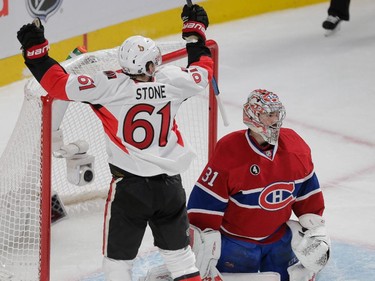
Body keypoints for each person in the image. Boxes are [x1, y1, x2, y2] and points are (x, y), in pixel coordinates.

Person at [17, 4, 212, 281]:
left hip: (130, 190)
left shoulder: (109, 86)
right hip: (170, 187)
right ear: (149, 65)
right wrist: (195, 33)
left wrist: (35, 52)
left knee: (117, 265)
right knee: (181, 260)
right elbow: (202, 71)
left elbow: (58, 84)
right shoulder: (173, 80)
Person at [187, 89, 331, 281]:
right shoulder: (230, 150)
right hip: (236, 243)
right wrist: (203, 244)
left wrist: (316, 231)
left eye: (276, 114)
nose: (275, 120)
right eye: (268, 115)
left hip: (278, 239)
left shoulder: (296, 148)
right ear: (253, 116)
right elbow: (204, 205)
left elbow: (308, 195)